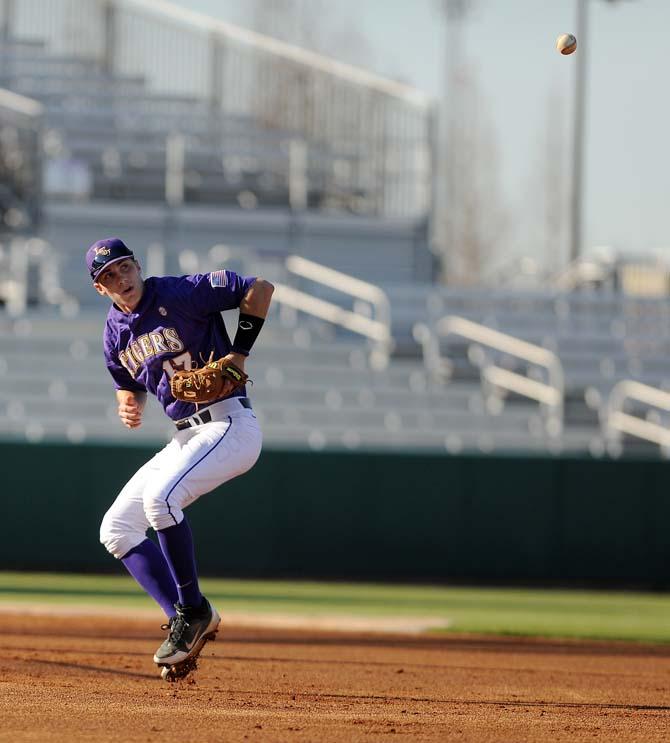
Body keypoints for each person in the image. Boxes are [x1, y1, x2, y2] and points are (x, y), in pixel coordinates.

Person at [87, 237, 274, 675]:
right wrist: (127, 401)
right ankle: (183, 618)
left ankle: (193, 612)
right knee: (116, 529)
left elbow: (260, 289)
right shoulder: (114, 333)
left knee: (160, 501)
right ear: (100, 289)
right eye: (108, 276)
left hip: (230, 424)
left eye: (124, 267)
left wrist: (239, 353)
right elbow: (125, 381)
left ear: (137, 264)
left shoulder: (179, 292)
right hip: (185, 436)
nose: (120, 278)